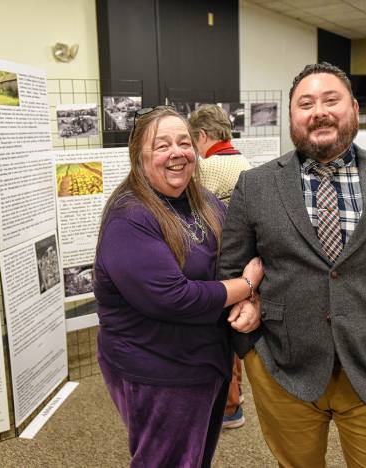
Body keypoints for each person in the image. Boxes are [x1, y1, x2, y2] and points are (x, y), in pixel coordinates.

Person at [218, 62, 366, 467]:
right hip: (284, 370)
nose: (318, 111)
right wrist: (250, 350)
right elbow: (231, 269)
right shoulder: (255, 187)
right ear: (292, 117)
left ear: (354, 109)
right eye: (305, 103)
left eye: (331, 100)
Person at [93, 105, 264, 467]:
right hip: (159, 368)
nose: (177, 153)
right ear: (138, 156)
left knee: (195, 457)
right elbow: (174, 297)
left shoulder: (202, 200)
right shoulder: (130, 217)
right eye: (162, 145)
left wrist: (253, 300)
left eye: (184, 143)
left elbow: (240, 251)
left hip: (204, 360)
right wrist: (247, 285)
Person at [189, 104, 253, 429]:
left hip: (217, 259)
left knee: (219, 334)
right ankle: (235, 400)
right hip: (243, 259)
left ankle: (229, 408)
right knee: (235, 326)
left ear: (202, 135)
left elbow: (194, 214)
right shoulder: (245, 161)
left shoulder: (209, 167)